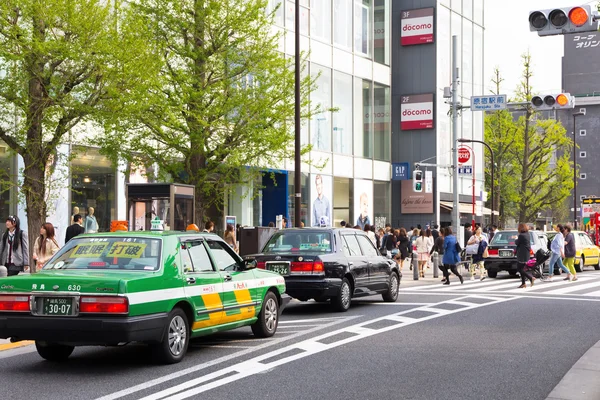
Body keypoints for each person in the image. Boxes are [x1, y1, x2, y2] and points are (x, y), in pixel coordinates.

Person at [515, 223, 534, 288]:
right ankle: (523, 283)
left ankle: (530, 277)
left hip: (522, 254)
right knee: (522, 268)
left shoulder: (521, 235)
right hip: (526, 253)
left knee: (519, 268)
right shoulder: (527, 234)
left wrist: (516, 238)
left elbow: (517, 243)